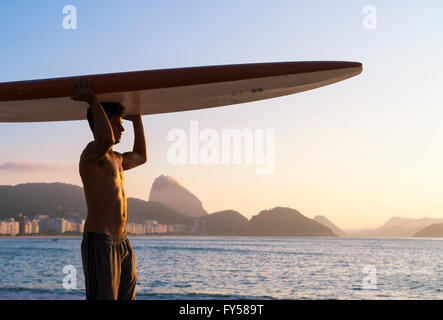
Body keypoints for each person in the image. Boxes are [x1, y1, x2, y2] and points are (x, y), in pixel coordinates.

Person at [72, 79, 147, 300]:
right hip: (100, 241)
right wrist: (93, 100)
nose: (122, 128)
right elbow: (105, 138)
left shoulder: (118, 159)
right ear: (100, 122)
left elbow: (142, 156)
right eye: (117, 123)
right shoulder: (92, 155)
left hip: (122, 241)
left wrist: (137, 120)